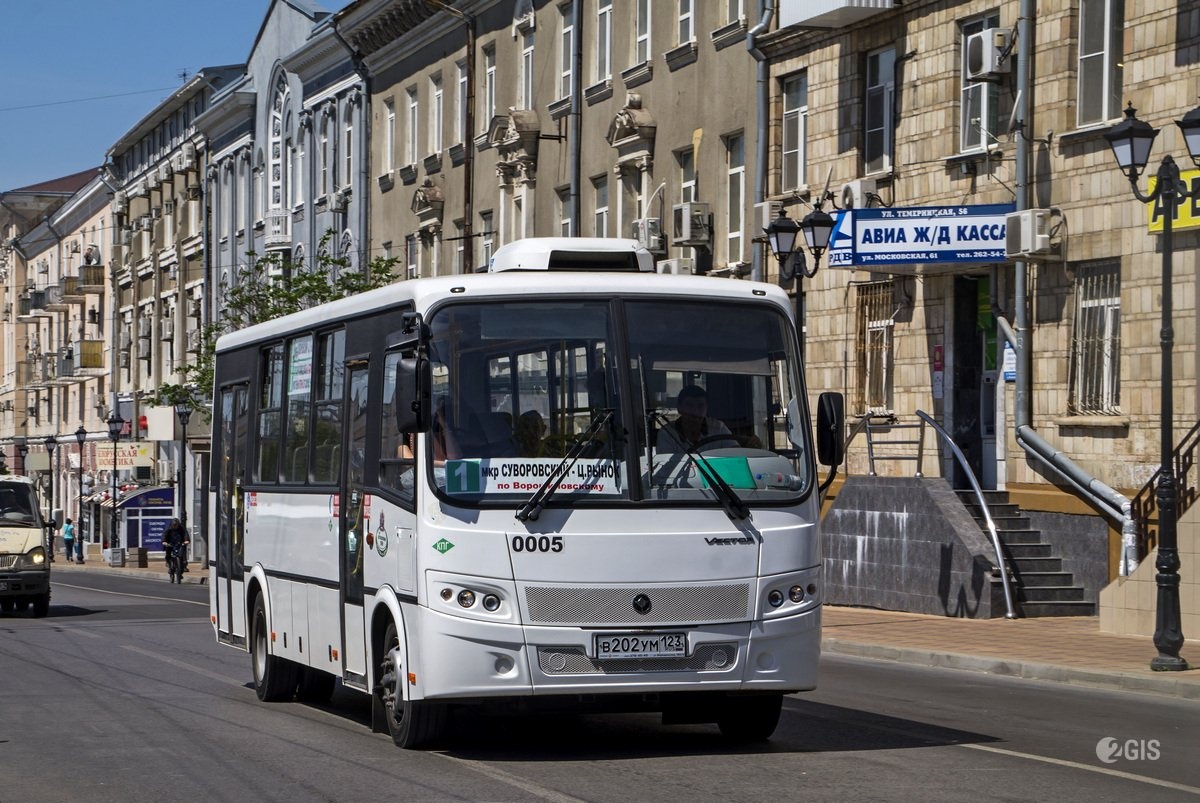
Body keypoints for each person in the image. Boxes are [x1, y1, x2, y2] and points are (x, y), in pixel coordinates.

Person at [656, 384, 738, 451]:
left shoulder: (719, 428)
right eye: (689, 405)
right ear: (679, 408)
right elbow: (667, 468)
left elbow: (736, 456)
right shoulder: (667, 433)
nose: (695, 412)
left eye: (701, 406)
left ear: (707, 408)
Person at [163, 518, 190, 582]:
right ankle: (170, 566)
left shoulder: (181, 529)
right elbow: (164, 535)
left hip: (179, 543)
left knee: (181, 556)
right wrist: (164, 541)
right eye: (174, 525)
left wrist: (186, 540)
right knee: (168, 555)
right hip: (170, 543)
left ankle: (180, 571)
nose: (175, 526)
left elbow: (185, 534)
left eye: (176, 525)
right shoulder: (168, 528)